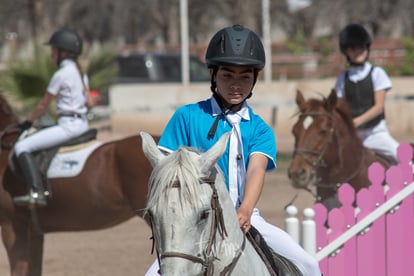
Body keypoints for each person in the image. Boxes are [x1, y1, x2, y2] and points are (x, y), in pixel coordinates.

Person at [145, 24, 321, 276]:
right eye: (227, 76)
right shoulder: (186, 117)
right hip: (194, 220)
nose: (236, 85)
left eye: (245, 77)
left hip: (245, 215)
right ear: (213, 74)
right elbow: (166, 172)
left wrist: (246, 209)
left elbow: (256, 170)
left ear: (255, 79)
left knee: (310, 265)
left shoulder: (260, 129)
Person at [13, 27, 92, 206]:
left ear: (63, 52)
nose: (51, 55)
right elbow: (89, 103)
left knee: (22, 146)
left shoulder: (61, 74)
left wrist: (28, 121)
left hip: (68, 126)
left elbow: (43, 104)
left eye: (53, 50)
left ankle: (36, 192)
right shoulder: (81, 74)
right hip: (83, 124)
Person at [334, 23, 399, 162]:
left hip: (375, 134)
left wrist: (355, 122)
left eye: (361, 47)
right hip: (352, 136)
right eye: (352, 48)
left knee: (403, 157)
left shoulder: (377, 73)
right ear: (346, 51)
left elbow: (378, 107)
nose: (357, 51)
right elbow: (339, 108)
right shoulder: (342, 80)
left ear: (367, 48)